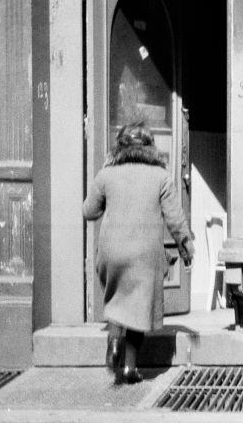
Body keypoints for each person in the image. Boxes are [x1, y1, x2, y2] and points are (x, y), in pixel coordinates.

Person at [83, 122, 195, 383]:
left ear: (120, 146)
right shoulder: (161, 176)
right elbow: (175, 220)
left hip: (112, 252)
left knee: (117, 299)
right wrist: (186, 246)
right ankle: (129, 368)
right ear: (150, 147)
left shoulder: (106, 174)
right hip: (144, 255)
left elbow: (89, 211)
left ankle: (113, 341)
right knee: (138, 307)